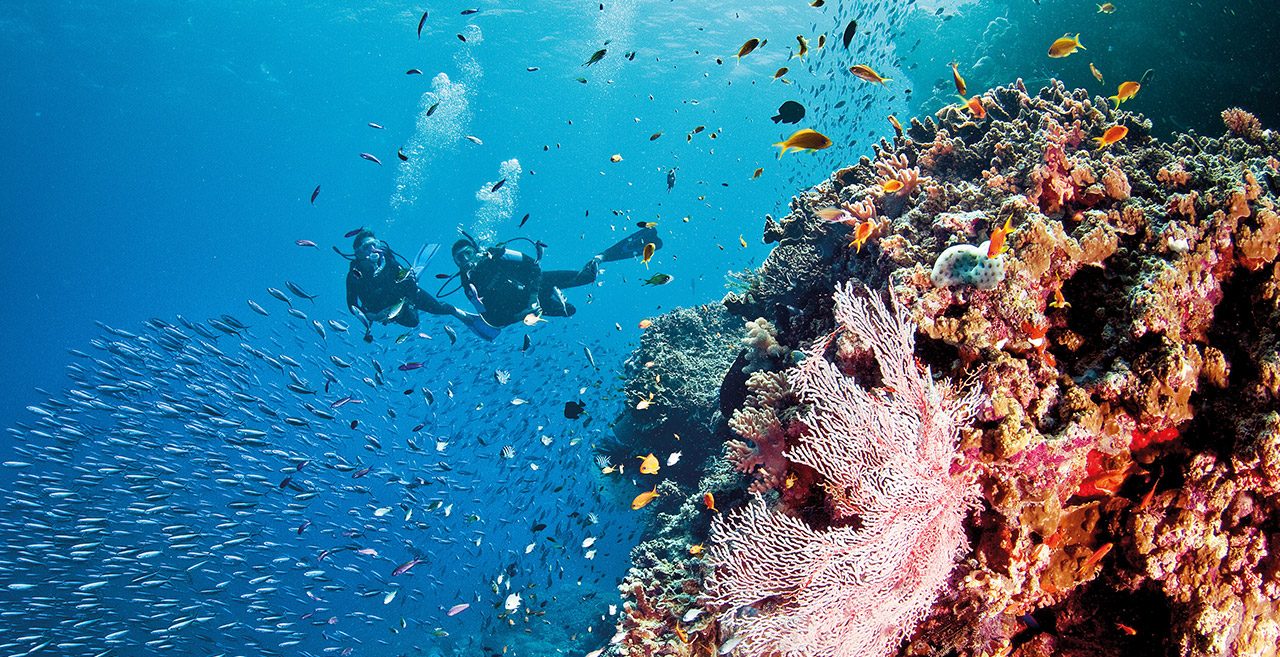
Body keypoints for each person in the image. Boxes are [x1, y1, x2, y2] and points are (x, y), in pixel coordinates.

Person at [448, 227, 662, 329]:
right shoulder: (468, 285)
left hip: (539, 282)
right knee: (569, 311)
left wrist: (533, 294)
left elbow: (533, 265)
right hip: (524, 308)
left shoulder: (496, 254)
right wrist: (523, 313)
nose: (466, 260)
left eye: (468, 253)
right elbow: (493, 320)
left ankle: (601, 257)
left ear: (476, 250)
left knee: (587, 277)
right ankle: (552, 299)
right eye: (459, 259)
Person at [345, 230, 500, 342]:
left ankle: (458, 313)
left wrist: (409, 284)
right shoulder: (354, 275)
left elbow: (407, 284)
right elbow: (352, 305)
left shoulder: (388, 260)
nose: (373, 250)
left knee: (436, 308)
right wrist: (371, 316)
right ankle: (408, 308)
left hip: (402, 296)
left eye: (375, 244)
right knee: (413, 322)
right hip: (378, 309)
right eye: (367, 247)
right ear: (357, 253)